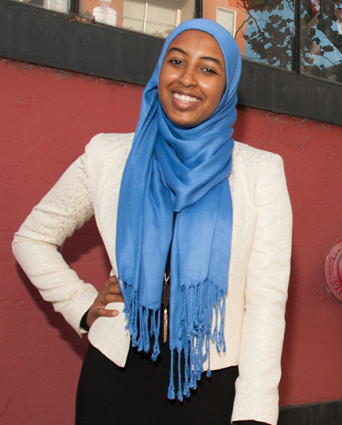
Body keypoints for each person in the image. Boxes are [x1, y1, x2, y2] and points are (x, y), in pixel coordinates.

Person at [12, 19, 292, 425]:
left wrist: (255, 412)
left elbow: (266, 301)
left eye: (208, 69)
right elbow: (31, 238)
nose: (188, 79)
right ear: (160, 69)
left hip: (212, 382)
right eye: (177, 61)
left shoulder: (259, 171)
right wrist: (81, 306)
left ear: (227, 87)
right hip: (114, 376)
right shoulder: (107, 155)